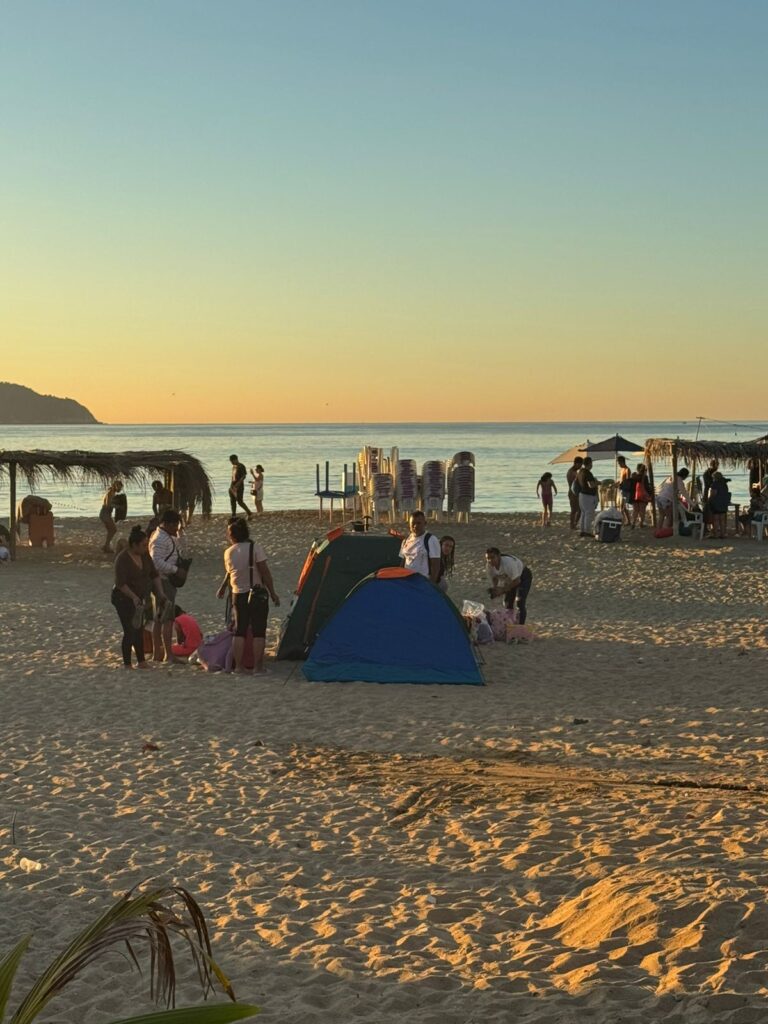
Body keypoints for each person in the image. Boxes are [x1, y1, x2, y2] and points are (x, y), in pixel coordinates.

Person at [216, 517, 280, 674]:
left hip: (238, 594)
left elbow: (230, 573)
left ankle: (239, 667)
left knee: (240, 630)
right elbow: (265, 572)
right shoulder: (255, 548)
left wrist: (223, 588)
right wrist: (273, 593)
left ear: (232, 535)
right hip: (257, 593)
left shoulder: (228, 552)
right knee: (259, 631)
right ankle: (258, 667)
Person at [111, 526, 165, 670]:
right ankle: (127, 663)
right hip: (122, 598)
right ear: (134, 545)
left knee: (139, 628)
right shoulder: (122, 559)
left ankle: (141, 661)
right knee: (129, 629)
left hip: (140, 597)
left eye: (146, 544)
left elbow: (154, 575)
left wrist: (160, 593)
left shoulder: (145, 555)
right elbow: (120, 584)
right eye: (143, 545)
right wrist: (133, 597)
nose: (146, 547)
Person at [148, 508, 182, 662]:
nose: (176, 528)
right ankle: (168, 654)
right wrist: (175, 570)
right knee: (167, 619)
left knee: (159, 618)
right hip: (164, 581)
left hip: (161, 581)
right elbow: (156, 563)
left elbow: (182, 545)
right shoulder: (160, 539)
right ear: (168, 524)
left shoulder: (164, 536)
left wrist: (180, 533)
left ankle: (158, 653)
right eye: (175, 525)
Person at [485, 547, 533, 625]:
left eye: (493, 557)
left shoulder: (508, 563)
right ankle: (510, 624)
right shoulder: (489, 566)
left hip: (523, 576)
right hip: (509, 579)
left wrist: (503, 590)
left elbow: (517, 581)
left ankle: (520, 626)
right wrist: (495, 588)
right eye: (488, 558)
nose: (490, 561)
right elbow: (494, 578)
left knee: (520, 602)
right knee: (507, 603)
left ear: (499, 556)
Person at [399, 510, 441, 583]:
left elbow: (435, 566)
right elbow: (403, 562)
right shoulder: (406, 541)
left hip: (423, 581)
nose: (415, 526)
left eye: (418, 523)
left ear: (425, 523)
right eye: (413, 523)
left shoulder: (431, 540)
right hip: (407, 581)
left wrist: (431, 585)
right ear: (409, 525)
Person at [576, 457, 599, 537]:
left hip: (581, 494)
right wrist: (598, 483)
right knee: (589, 513)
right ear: (589, 463)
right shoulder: (587, 473)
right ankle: (587, 531)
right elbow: (591, 485)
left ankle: (582, 530)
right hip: (588, 495)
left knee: (583, 513)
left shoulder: (580, 471)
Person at [99, 480, 124, 553]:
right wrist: (118, 507)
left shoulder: (112, 493)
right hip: (105, 514)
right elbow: (108, 505)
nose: (120, 489)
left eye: (121, 487)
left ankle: (106, 546)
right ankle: (106, 546)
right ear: (115, 486)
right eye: (119, 487)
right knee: (113, 530)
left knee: (111, 530)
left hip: (106, 514)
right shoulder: (110, 493)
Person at [708, 471, 731, 539]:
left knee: (716, 519)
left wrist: (709, 499)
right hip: (724, 503)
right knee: (722, 519)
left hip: (716, 503)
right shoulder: (724, 484)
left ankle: (715, 534)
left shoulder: (715, 484)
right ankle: (722, 534)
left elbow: (713, 493)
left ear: (715, 477)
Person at [229, 454, 252, 519]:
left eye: (232, 461)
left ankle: (249, 512)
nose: (231, 462)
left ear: (236, 459)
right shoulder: (234, 467)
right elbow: (233, 477)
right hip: (232, 486)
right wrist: (231, 486)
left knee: (240, 501)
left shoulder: (241, 466)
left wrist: (237, 485)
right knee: (232, 501)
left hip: (239, 487)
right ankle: (233, 514)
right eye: (231, 461)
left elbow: (243, 476)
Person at [631, 464, 652, 528]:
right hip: (642, 495)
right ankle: (641, 524)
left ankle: (633, 523)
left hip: (634, 495)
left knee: (635, 510)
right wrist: (650, 493)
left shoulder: (634, 476)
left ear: (637, 469)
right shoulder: (645, 477)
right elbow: (646, 487)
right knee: (642, 510)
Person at [566, 456, 583, 530]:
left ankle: (574, 524)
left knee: (579, 509)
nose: (581, 466)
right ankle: (572, 525)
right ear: (576, 463)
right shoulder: (571, 472)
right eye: (580, 464)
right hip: (573, 493)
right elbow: (575, 482)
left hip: (576, 492)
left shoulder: (575, 471)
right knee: (574, 510)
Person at [617, 456, 633, 526]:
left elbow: (628, 481)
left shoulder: (627, 470)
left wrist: (621, 484)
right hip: (621, 489)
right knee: (621, 506)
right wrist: (616, 484)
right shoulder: (621, 470)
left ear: (622, 462)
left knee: (622, 506)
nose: (619, 465)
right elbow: (621, 480)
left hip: (625, 490)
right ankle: (626, 520)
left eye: (619, 463)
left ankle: (625, 521)